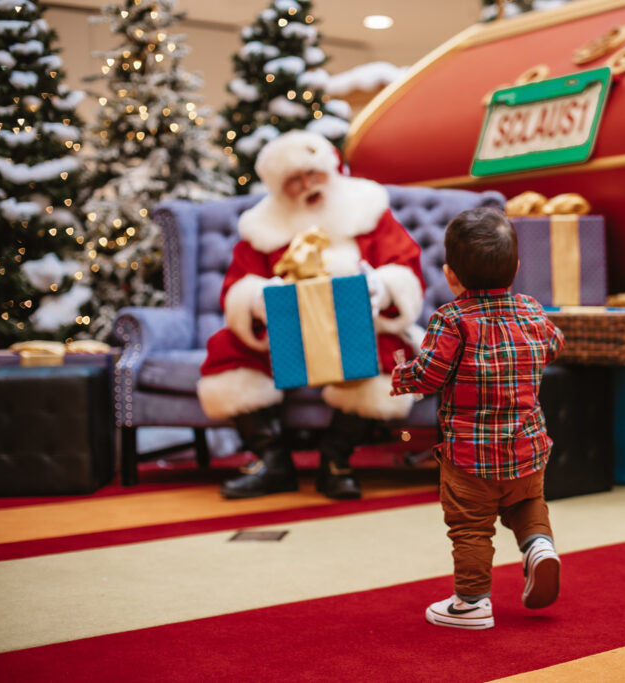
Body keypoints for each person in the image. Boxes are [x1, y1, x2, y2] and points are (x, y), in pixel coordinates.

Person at [197, 130, 425, 500]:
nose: (306, 185)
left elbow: (405, 268)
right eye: (293, 181)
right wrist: (259, 299)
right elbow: (238, 285)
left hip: (360, 323)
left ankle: (336, 459)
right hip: (286, 329)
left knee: (386, 356)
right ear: (278, 188)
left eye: (312, 174)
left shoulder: (367, 208)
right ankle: (273, 461)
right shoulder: (262, 227)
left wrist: (380, 288)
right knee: (227, 348)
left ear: (330, 169)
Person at [390, 206, 565, 630]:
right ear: (516, 267)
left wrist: (401, 374)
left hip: (470, 456)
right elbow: (555, 345)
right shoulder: (531, 310)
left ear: (451, 275)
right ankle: (539, 547)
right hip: (527, 446)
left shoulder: (452, 320)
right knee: (527, 503)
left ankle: (471, 602)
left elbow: (429, 375)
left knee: (470, 526)